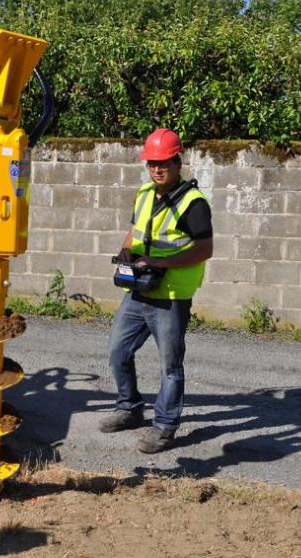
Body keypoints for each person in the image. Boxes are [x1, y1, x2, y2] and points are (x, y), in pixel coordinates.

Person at [99, 128, 213, 453]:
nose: (156, 169)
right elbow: (135, 230)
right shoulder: (145, 194)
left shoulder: (194, 203)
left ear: (177, 162)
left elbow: (204, 249)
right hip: (138, 290)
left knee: (170, 366)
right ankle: (129, 407)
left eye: (163, 163)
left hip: (171, 298)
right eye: (151, 163)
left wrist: (163, 263)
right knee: (118, 350)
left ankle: (164, 426)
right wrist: (125, 254)